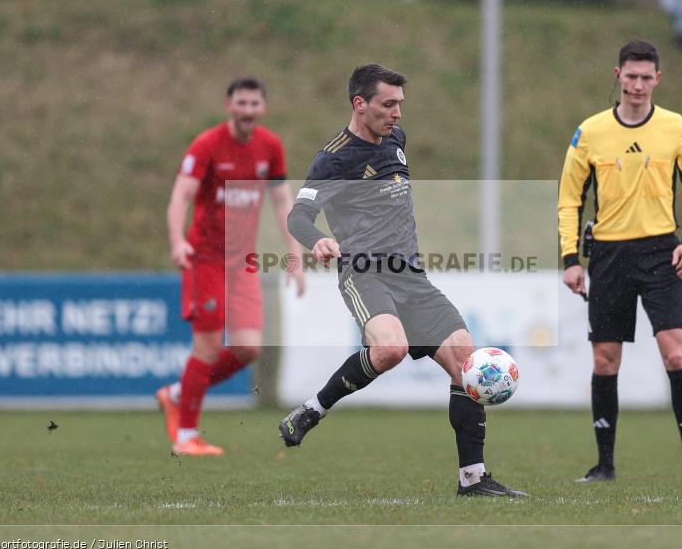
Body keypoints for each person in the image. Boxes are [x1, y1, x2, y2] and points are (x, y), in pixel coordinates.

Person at [279, 64, 526, 497]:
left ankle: (473, 479)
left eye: (400, 105)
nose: (397, 114)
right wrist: (317, 241)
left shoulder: (396, 139)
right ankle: (312, 410)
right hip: (364, 273)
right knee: (390, 348)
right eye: (388, 104)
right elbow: (298, 215)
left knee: (464, 360)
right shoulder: (333, 158)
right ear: (360, 104)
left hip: (411, 276)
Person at [558, 40, 682, 483]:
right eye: (631, 76)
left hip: (661, 253)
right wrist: (571, 258)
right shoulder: (589, 132)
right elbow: (570, 199)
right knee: (606, 360)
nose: (638, 85)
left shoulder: (676, 129)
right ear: (618, 75)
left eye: (646, 77)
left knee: (675, 350)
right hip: (608, 255)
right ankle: (604, 464)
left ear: (657, 80)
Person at [160, 77, 305, 456]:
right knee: (207, 346)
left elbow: (281, 201)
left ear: (263, 108)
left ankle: (177, 393)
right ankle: (186, 436)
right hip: (204, 257)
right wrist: (177, 242)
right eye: (241, 103)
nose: (247, 110)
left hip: (243, 262)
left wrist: (295, 253)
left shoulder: (269, 146)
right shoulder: (207, 145)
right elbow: (181, 197)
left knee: (248, 348)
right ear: (229, 106)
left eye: (254, 103)